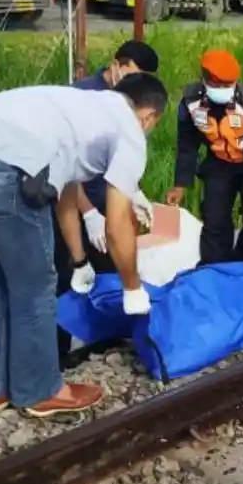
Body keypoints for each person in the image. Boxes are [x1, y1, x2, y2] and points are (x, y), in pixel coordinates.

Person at [0, 74, 169, 419]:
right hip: (3, 163)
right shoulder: (130, 131)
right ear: (149, 117)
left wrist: (79, 259)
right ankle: (40, 390)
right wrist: (133, 287)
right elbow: (118, 224)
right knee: (35, 285)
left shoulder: (82, 107)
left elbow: (66, 196)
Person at [55, 39, 160, 364]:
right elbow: (68, 170)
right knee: (67, 276)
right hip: (75, 204)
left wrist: (135, 192)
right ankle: (57, 355)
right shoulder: (84, 96)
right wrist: (88, 213)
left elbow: (122, 159)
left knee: (109, 277)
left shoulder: (131, 101)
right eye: (131, 74)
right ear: (117, 64)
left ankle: (104, 344)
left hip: (109, 202)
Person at [165, 49, 243, 264]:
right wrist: (180, 184)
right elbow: (187, 144)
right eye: (217, 85)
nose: (223, 90)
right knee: (214, 220)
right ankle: (214, 269)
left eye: (228, 85)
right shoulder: (190, 102)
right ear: (205, 80)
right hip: (219, 164)